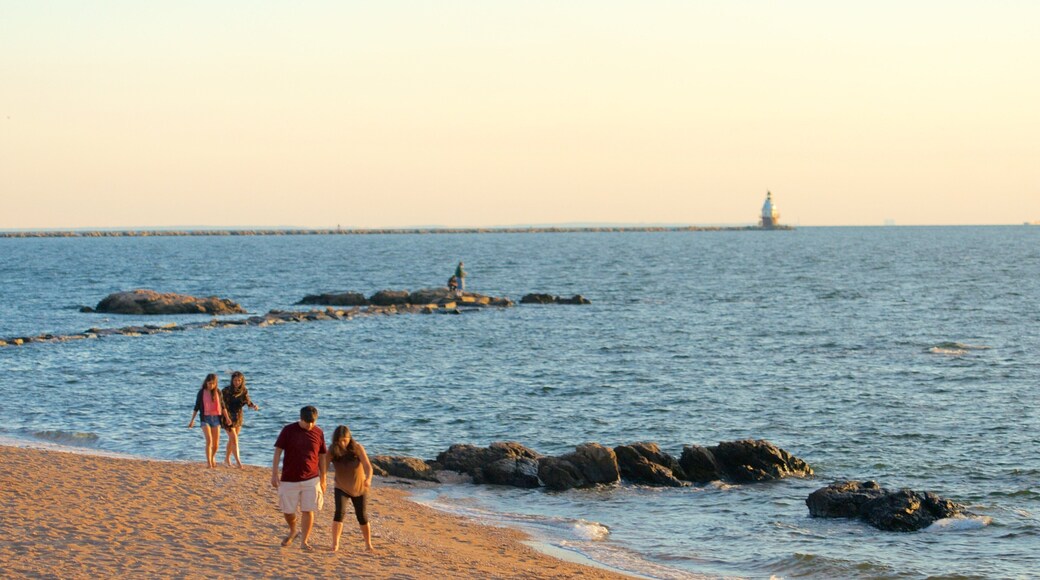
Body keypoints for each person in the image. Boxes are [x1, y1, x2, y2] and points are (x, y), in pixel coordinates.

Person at [271, 406, 327, 552]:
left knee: (309, 510)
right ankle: (293, 530)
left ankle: (304, 541)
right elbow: (278, 451)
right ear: (300, 419)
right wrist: (274, 473)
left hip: (312, 478)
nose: (310, 425)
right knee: (288, 510)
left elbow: (322, 456)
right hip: (289, 478)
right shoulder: (288, 430)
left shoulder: (319, 432)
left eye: (312, 422)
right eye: (307, 422)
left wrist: (324, 478)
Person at [326, 425, 375, 553]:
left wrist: (368, 479)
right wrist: (322, 482)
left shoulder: (357, 448)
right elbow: (323, 469)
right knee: (339, 513)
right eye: (341, 440)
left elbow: (368, 467)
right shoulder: (332, 451)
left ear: (350, 438)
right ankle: (335, 544)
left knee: (362, 516)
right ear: (336, 439)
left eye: (346, 439)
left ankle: (368, 544)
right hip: (341, 487)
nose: (343, 442)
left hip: (359, 487)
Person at [187, 373, 230, 469]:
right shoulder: (201, 392)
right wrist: (192, 420)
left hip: (216, 419)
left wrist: (227, 418)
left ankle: (212, 456)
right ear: (206, 382)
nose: (211, 385)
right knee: (209, 441)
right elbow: (196, 407)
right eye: (209, 383)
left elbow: (223, 406)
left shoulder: (218, 392)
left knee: (216, 444)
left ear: (216, 384)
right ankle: (209, 463)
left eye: (213, 384)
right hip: (205, 418)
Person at [221, 371, 260, 468]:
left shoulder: (244, 391)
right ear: (232, 380)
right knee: (234, 439)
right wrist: (226, 417)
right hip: (227, 416)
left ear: (242, 381)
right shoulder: (226, 391)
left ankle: (226, 459)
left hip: (238, 417)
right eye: (235, 380)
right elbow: (222, 405)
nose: (237, 382)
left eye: (239, 380)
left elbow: (247, 401)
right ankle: (238, 462)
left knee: (232, 439)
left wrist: (253, 406)